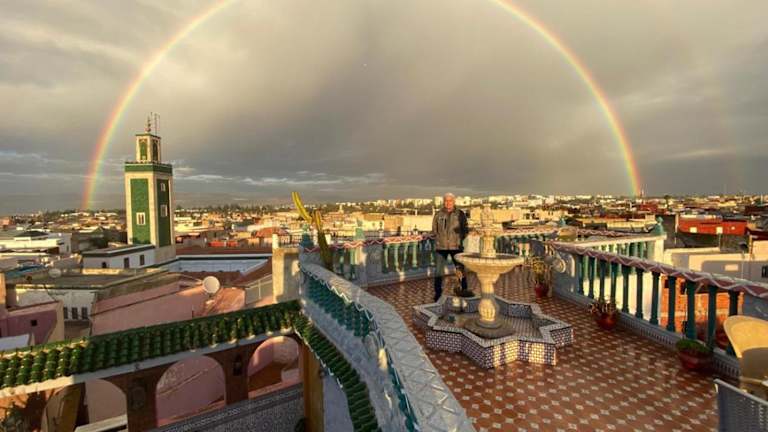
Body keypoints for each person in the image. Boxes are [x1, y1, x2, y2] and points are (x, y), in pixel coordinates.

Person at [432, 193, 469, 301]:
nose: (448, 203)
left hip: (456, 246)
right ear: (444, 202)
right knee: (438, 271)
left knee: (460, 269)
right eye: (446, 201)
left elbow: (465, 229)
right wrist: (439, 238)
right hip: (441, 247)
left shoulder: (460, 214)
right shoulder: (438, 214)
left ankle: (464, 289)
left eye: (450, 200)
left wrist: (458, 239)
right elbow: (434, 229)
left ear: (454, 202)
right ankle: (438, 294)